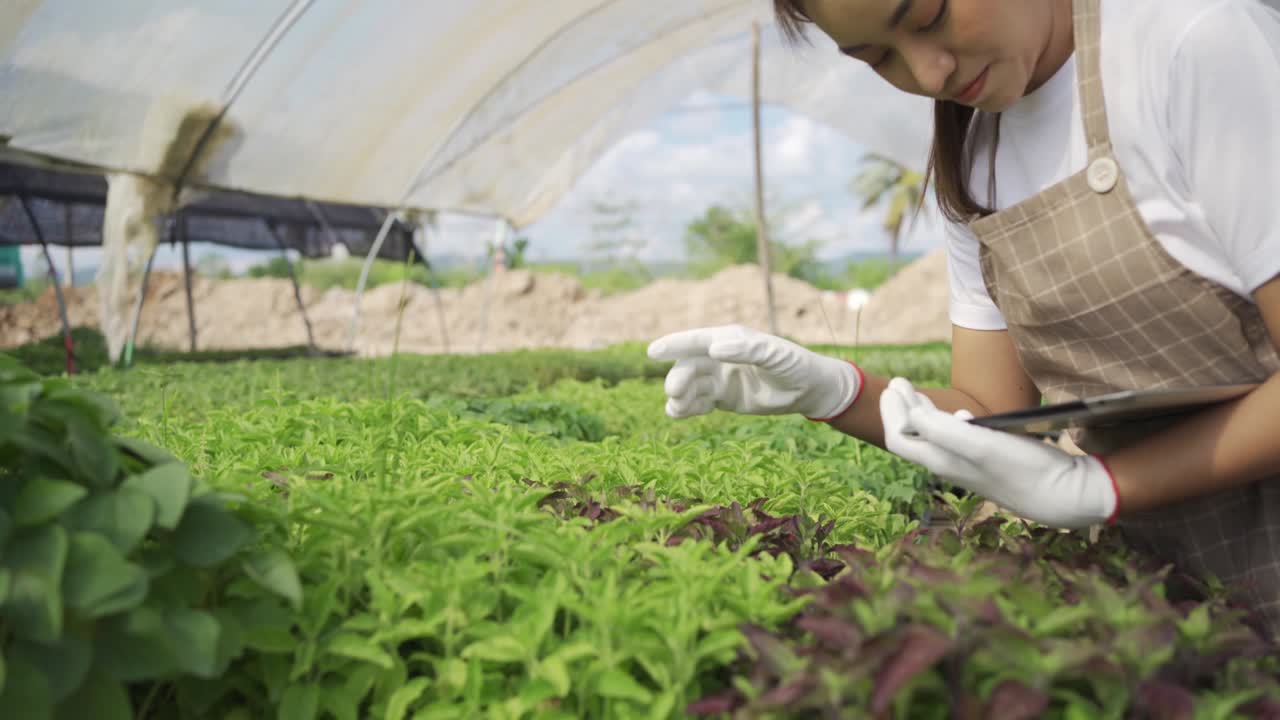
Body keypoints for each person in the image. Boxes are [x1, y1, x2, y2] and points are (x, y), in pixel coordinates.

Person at [647, 0, 1280, 639]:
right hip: (1173, 603)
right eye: (878, 57)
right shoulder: (975, 156)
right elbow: (988, 407)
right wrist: (835, 392)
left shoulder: (1190, 44)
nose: (928, 74)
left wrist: (1106, 486)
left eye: (929, 17)